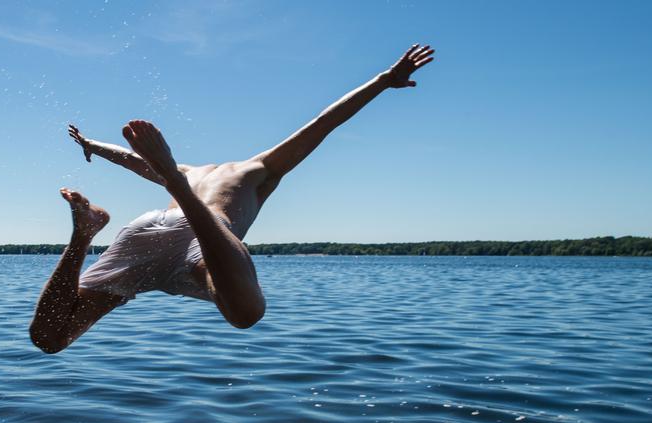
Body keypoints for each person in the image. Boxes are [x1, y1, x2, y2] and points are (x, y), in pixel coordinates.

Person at [29, 44, 435, 353]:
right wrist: (383, 81)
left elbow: (129, 160)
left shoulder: (194, 168)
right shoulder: (256, 170)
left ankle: (84, 233)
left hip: (150, 231)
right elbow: (321, 124)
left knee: (50, 337)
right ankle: (173, 191)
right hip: (201, 241)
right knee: (247, 314)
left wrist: (91, 144)